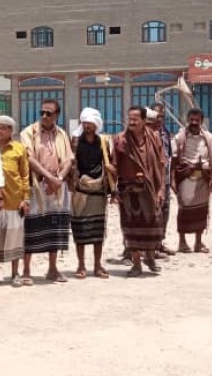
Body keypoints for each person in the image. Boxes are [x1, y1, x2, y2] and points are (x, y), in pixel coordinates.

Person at [21, 99, 74, 283]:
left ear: (57, 115)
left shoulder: (62, 134)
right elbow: (29, 158)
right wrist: (48, 178)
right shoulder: (28, 132)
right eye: (42, 112)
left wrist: (58, 179)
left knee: (56, 227)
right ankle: (26, 271)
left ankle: (52, 268)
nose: (44, 116)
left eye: (48, 113)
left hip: (57, 187)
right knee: (31, 228)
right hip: (36, 185)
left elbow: (68, 159)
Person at [113, 105, 166, 277]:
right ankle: (136, 264)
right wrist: (114, 190)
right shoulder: (121, 140)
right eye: (130, 118)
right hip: (129, 192)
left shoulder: (154, 138)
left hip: (150, 191)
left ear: (144, 121)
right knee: (131, 227)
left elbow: (160, 164)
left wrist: (160, 189)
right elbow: (114, 166)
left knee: (151, 224)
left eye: (136, 119)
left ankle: (150, 257)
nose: (132, 122)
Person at [70, 107, 116, 278]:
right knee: (80, 229)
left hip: (98, 190)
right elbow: (72, 164)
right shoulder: (75, 141)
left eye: (90, 124)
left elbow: (110, 163)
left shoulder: (104, 142)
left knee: (97, 231)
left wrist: (112, 187)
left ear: (96, 124)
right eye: (85, 124)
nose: (87, 127)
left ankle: (97, 265)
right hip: (80, 190)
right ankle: (81, 265)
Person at [173, 108, 212, 254]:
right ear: (187, 120)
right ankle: (182, 242)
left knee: (202, 210)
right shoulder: (180, 137)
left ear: (201, 121)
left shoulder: (208, 137)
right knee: (184, 210)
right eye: (191, 120)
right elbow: (175, 159)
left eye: (197, 120)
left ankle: (198, 243)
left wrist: (210, 175)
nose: (194, 123)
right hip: (186, 178)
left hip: (203, 179)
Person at [0, 115, 32, 285]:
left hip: (15, 200)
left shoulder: (19, 149)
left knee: (15, 238)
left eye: (2, 128)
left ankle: (15, 273)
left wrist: (26, 198)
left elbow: (25, 175)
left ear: (11, 130)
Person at [150, 102, 176, 258]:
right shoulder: (145, 134)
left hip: (164, 181)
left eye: (162, 116)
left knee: (164, 213)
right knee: (150, 214)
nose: (159, 119)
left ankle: (159, 243)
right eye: (156, 116)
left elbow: (170, 157)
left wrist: (171, 180)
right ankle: (147, 248)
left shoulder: (165, 132)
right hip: (151, 183)